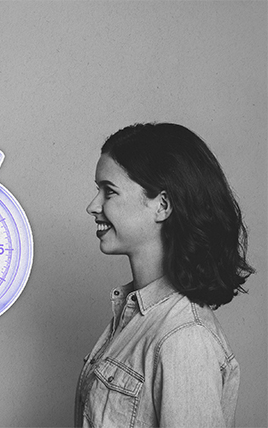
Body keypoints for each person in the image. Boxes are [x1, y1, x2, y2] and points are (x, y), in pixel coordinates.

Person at [75, 123, 254, 427]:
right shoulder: (135, 317)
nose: (93, 206)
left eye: (109, 191)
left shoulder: (184, 338)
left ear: (163, 205)